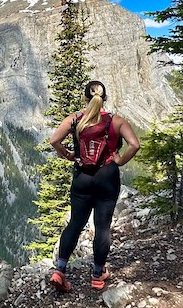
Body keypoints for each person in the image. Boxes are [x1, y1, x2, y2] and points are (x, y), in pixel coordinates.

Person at [48, 80, 141, 292]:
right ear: (104, 98)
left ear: (85, 98)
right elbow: (135, 145)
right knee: (102, 226)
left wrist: (69, 155)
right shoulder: (116, 122)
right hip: (107, 178)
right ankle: (98, 276)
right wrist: (120, 161)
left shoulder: (75, 120)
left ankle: (60, 270)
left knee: (75, 223)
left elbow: (54, 140)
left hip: (82, 177)